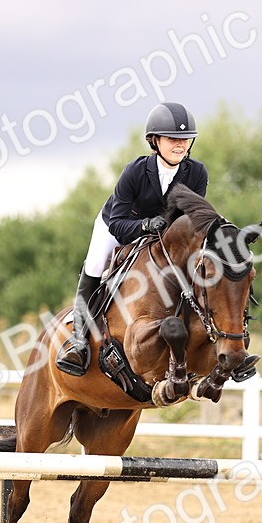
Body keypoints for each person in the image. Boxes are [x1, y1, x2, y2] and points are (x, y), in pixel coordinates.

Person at [55, 101, 209, 376]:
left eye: (185, 140)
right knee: (94, 265)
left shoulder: (196, 173)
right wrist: (145, 225)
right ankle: (78, 341)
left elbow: (190, 222)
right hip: (119, 225)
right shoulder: (135, 171)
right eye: (173, 139)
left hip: (165, 234)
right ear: (155, 141)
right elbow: (117, 223)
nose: (180, 145)